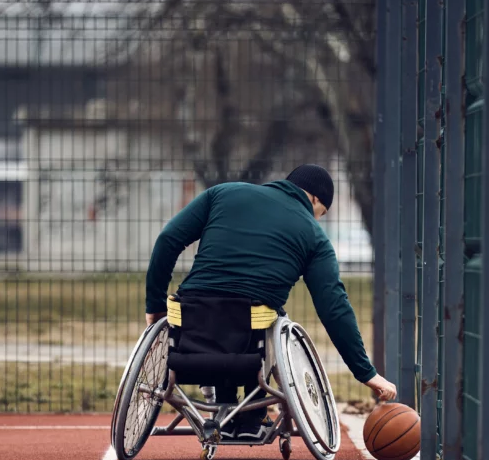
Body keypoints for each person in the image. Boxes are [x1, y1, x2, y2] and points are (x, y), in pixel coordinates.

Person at [144, 164, 397, 435]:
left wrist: (155, 306)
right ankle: (254, 412)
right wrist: (366, 373)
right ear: (314, 199)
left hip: (193, 313)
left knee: (228, 310)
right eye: (320, 214)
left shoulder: (223, 193)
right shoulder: (314, 235)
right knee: (270, 319)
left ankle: (225, 399)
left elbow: (168, 239)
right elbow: (334, 307)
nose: (317, 219)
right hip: (250, 328)